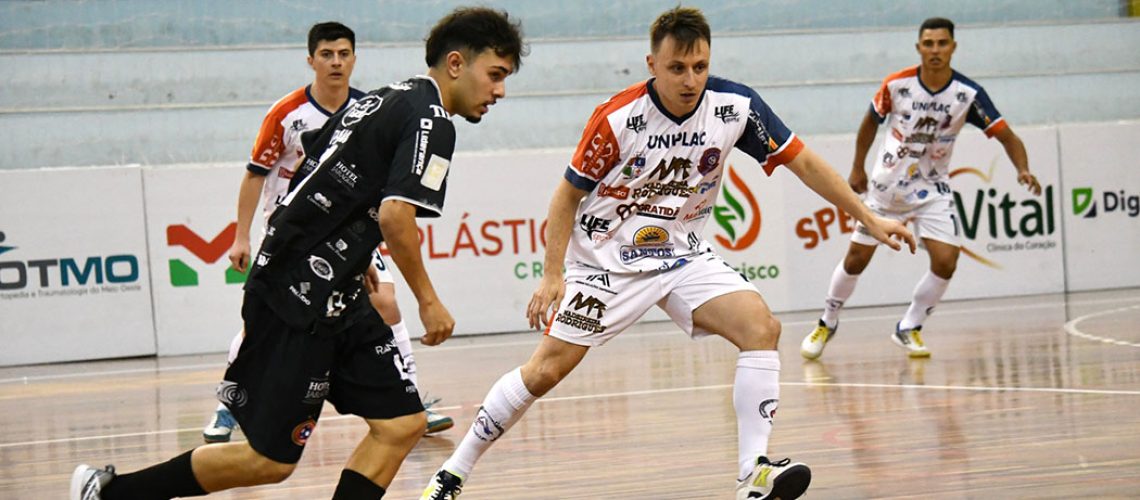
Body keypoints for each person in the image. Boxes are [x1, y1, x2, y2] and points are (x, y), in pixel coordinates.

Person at [420, 7, 914, 500]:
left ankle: (753, 472)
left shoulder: (735, 107)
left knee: (762, 327)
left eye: (700, 66)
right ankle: (452, 474)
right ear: (652, 64)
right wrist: (553, 276)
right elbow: (566, 196)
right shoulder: (619, 117)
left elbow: (801, 160)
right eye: (677, 68)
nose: (690, 79)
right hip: (605, 263)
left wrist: (868, 216)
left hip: (681, 257)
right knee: (545, 371)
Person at [70, 7, 526, 499]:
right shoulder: (433, 122)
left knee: (401, 423)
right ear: (456, 63)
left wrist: (355, 251)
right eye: (495, 75)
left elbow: (317, 164)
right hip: (298, 297)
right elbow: (397, 217)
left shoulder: (379, 99)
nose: (499, 91)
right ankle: (108, 493)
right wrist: (428, 300)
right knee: (268, 460)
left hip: (337, 290)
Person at [202, 21, 452, 444]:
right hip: (296, 235)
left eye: (344, 54)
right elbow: (254, 176)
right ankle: (230, 402)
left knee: (386, 300)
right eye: (326, 54)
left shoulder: (368, 105)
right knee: (269, 319)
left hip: (350, 232)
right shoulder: (286, 114)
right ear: (311, 60)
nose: (336, 62)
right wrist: (241, 236)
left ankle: (410, 400)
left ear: (354, 58)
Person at [799, 17, 1041, 361]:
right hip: (886, 189)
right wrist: (857, 167)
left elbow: (1007, 135)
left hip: (932, 189)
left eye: (942, 43)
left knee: (946, 261)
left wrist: (1023, 169)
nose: (935, 50)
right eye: (928, 44)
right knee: (856, 260)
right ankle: (828, 320)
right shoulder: (897, 85)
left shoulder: (968, 95)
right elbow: (870, 122)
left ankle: (909, 326)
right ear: (918, 48)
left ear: (953, 47)